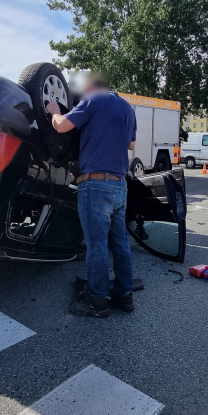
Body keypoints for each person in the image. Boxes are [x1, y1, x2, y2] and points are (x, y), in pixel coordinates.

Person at [46, 75, 137, 318]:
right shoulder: (127, 108)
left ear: (90, 88)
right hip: (119, 186)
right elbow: (130, 145)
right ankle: (124, 295)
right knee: (119, 242)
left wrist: (54, 111)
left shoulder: (93, 100)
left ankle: (97, 301)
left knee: (96, 244)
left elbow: (61, 126)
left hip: (95, 186)